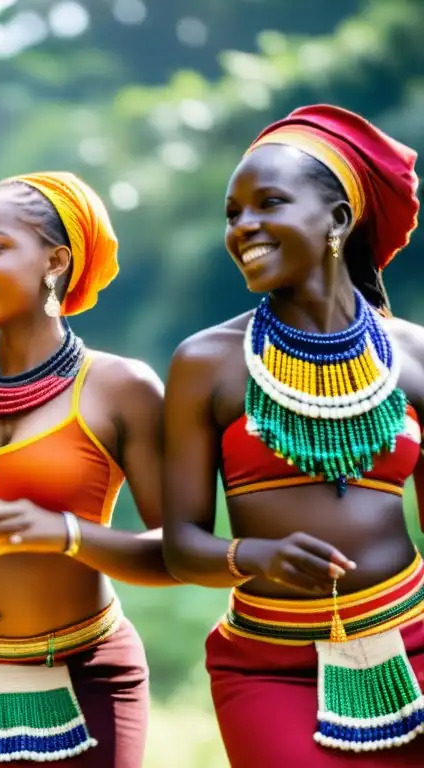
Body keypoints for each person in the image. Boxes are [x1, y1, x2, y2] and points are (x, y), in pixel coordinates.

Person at [162, 105, 423, 765]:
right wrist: (255, 555)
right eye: (232, 213)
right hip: (268, 665)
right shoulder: (206, 363)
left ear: (337, 219)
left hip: (414, 641)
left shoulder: (412, 355)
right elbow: (182, 545)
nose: (244, 226)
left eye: (268, 203)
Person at [0, 171, 176, 768]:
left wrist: (68, 535)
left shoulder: (120, 388)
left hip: (86, 669)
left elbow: (177, 553)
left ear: (55, 260)